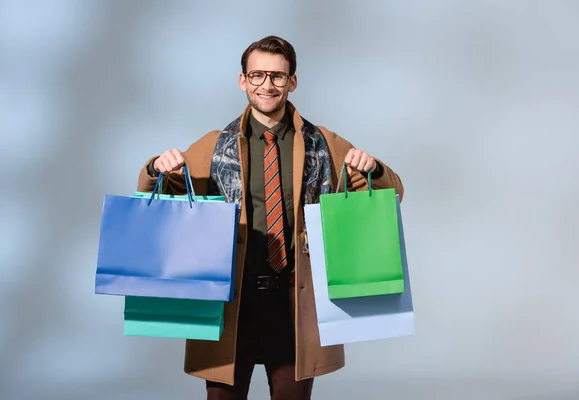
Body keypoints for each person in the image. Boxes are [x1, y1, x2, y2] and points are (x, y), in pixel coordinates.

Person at [136, 35, 404, 400]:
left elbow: (392, 194)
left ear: (292, 82)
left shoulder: (322, 142)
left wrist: (372, 169)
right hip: (232, 302)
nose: (267, 85)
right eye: (258, 75)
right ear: (243, 80)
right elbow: (166, 193)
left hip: (295, 302)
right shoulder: (215, 144)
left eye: (278, 76)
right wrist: (156, 167)